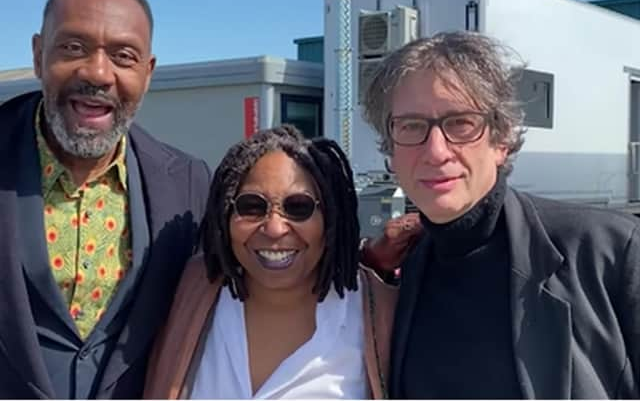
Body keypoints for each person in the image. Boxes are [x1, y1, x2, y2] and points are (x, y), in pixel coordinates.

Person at [363, 31, 640, 399]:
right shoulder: (405, 270)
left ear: (501, 140)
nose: (436, 151)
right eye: (411, 126)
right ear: (392, 149)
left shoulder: (608, 252)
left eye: (460, 123)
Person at [0, 0, 211, 398]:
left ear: (147, 73)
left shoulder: (188, 183)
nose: (98, 73)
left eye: (123, 56)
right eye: (73, 48)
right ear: (39, 55)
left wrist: (364, 265)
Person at [144, 125, 398, 399]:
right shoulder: (186, 291)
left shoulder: (382, 316)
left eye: (298, 207)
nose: (275, 228)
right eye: (251, 206)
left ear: (332, 218)